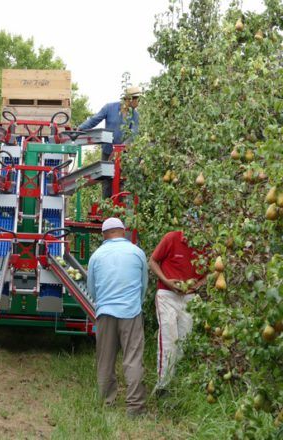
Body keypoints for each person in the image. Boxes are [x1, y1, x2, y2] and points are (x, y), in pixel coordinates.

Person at [87, 217, 148, 417]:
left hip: (105, 312)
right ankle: (135, 408)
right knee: (133, 359)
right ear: (123, 231)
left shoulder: (96, 256)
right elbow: (143, 286)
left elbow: (92, 290)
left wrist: (103, 303)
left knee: (105, 360)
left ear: (104, 235)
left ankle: (107, 402)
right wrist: (135, 305)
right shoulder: (137, 253)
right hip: (131, 311)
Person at [149, 230, 207, 396]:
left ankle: (176, 385)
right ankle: (162, 386)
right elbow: (153, 261)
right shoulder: (171, 238)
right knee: (168, 338)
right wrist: (166, 280)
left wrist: (196, 286)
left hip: (189, 298)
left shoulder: (206, 245)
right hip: (167, 295)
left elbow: (212, 272)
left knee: (184, 341)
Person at [78, 86, 142, 198]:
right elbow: (94, 120)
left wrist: (121, 148)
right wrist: (79, 129)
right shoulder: (109, 108)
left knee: (121, 182)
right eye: (138, 99)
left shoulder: (135, 116)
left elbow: (134, 134)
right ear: (130, 98)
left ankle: (119, 209)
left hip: (124, 156)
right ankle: (107, 210)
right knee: (106, 180)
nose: (139, 102)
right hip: (107, 152)